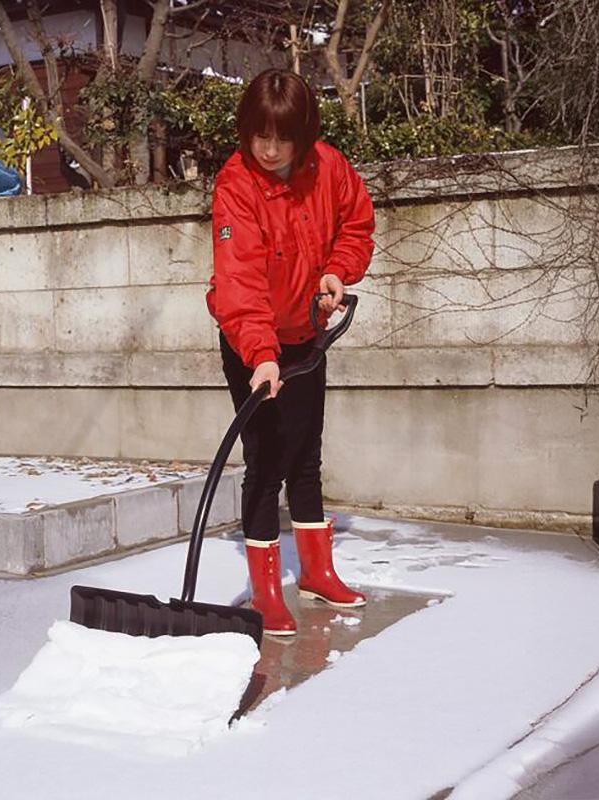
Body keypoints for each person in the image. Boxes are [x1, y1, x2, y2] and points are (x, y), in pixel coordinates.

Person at [207, 69, 376, 636]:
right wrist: (260, 353)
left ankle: (317, 572)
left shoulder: (328, 167)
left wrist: (335, 271)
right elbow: (239, 282)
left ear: (305, 134)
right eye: (260, 135)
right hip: (252, 343)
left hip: (306, 332)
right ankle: (265, 592)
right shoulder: (236, 186)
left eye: (283, 137)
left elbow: (356, 222)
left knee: (305, 455)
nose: (270, 149)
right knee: (266, 461)